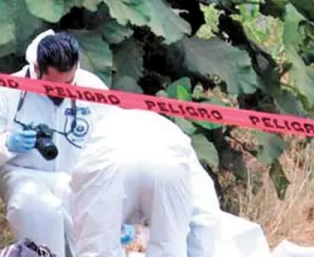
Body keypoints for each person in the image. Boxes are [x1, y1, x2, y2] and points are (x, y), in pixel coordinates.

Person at [0, 30, 110, 257]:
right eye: (52, 85)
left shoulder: (92, 87)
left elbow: (113, 139)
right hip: (24, 174)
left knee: (89, 231)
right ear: (37, 69)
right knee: (38, 209)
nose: (62, 91)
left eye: (68, 83)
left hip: (75, 177)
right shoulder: (8, 91)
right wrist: (6, 144)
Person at [70, 106, 221, 257]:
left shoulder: (99, 131)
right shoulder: (176, 141)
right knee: (168, 249)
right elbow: (205, 215)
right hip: (167, 160)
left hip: (109, 157)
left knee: (98, 250)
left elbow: (75, 207)